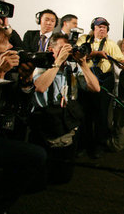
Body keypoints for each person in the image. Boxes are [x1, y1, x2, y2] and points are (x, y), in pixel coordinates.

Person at [0, 25, 47, 213]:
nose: (11, 47)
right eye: (4, 43)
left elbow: (21, 109)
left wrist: (27, 81)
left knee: (35, 155)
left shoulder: (3, 72)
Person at [30, 33, 100, 183]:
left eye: (67, 49)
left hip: (68, 120)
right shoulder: (42, 66)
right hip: (46, 122)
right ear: (51, 49)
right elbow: (40, 87)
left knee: (63, 175)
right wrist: (58, 61)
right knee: (43, 174)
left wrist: (83, 64)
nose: (66, 52)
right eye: (62, 48)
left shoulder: (72, 68)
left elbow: (96, 88)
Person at [76, 17, 124, 158]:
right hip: (85, 79)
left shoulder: (110, 44)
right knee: (84, 113)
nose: (102, 29)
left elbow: (120, 58)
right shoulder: (84, 39)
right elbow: (78, 55)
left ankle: (99, 145)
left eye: (105, 27)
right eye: (99, 27)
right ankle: (83, 145)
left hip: (104, 80)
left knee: (101, 113)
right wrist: (96, 54)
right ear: (94, 28)